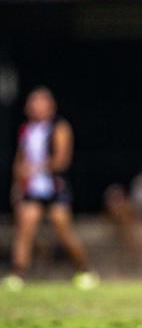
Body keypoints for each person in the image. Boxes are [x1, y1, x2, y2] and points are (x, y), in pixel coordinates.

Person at [3, 87, 99, 291]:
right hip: (31, 188)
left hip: (54, 186)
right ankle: (18, 273)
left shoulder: (59, 127)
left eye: (40, 102)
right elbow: (19, 161)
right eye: (32, 102)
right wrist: (17, 185)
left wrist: (36, 168)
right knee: (25, 228)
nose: (35, 106)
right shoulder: (26, 130)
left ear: (50, 106)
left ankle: (84, 269)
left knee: (62, 228)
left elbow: (62, 160)